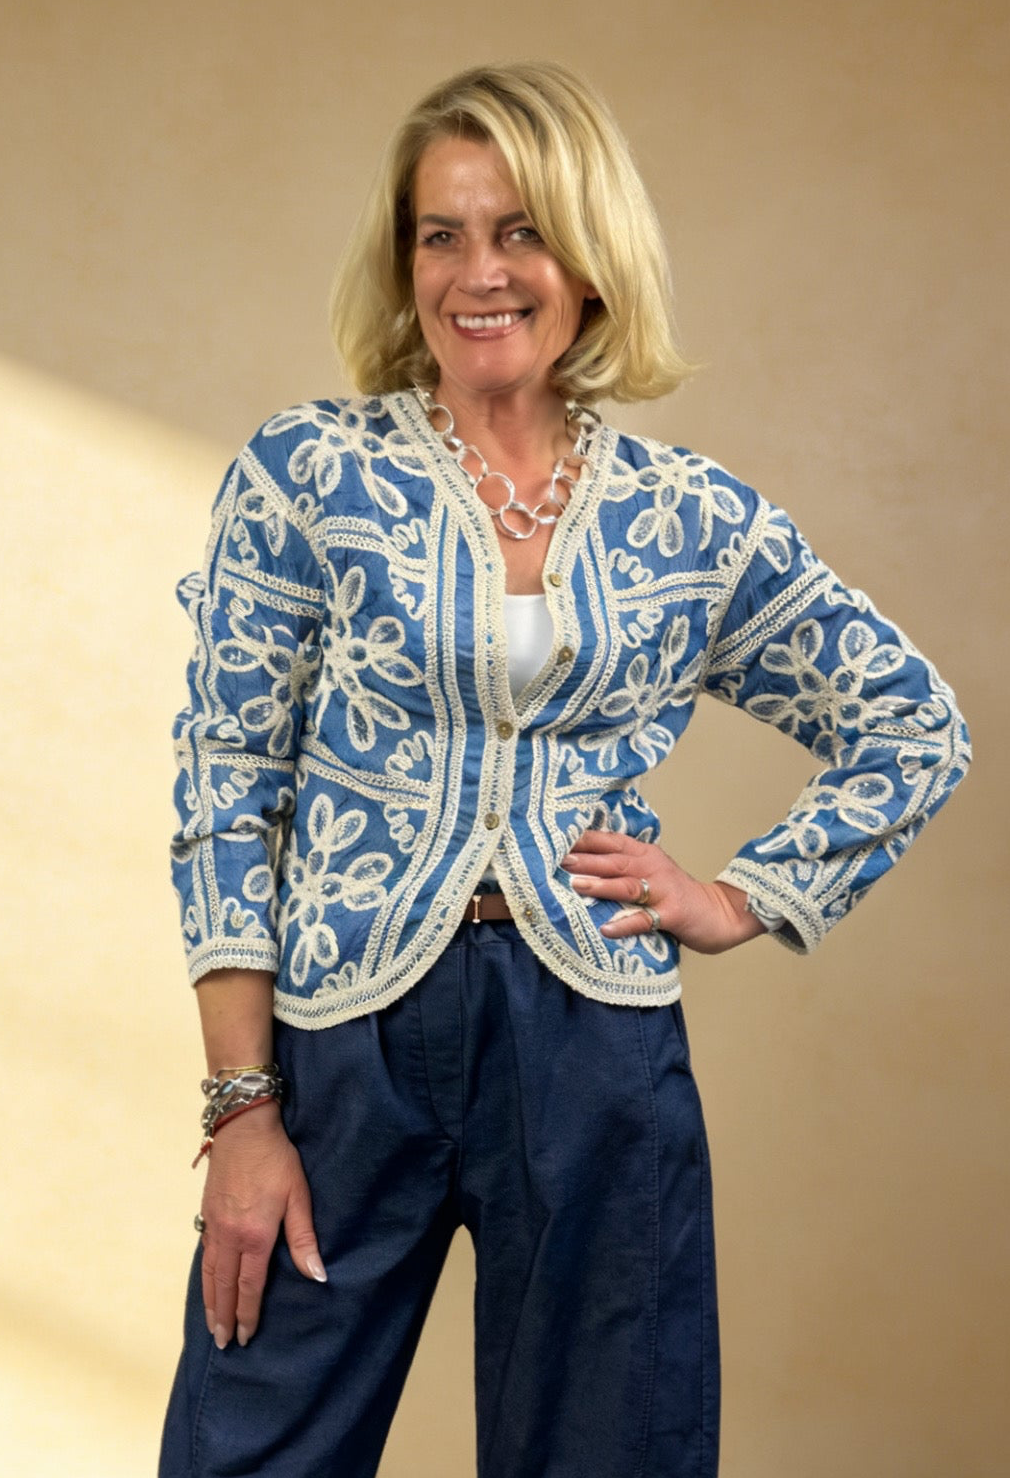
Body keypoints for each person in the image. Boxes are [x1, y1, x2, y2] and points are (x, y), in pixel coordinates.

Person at [159, 61, 970, 1478]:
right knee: (252, 1448)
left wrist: (738, 897)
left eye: (521, 230)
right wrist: (243, 1109)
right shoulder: (308, 474)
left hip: (593, 1043)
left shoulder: (688, 517)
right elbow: (227, 779)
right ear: (404, 262)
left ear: (590, 260)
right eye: (442, 234)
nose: (480, 272)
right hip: (346, 1042)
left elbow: (913, 720)